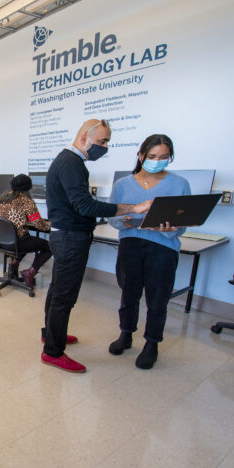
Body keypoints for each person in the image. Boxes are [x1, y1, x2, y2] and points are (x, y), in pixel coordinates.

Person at [42, 119, 152, 373]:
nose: (105, 147)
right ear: (84, 139)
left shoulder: (66, 161)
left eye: (107, 142)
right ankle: (53, 351)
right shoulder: (72, 164)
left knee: (58, 290)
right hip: (71, 239)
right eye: (102, 141)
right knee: (64, 297)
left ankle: (50, 334)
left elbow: (78, 204)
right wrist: (133, 208)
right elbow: (85, 206)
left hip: (63, 235)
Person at [108, 134, 190, 369]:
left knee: (157, 299)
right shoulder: (123, 184)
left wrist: (169, 228)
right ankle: (126, 333)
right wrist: (123, 222)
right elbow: (112, 217)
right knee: (129, 293)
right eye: (152, 156)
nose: (157, 161)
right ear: (141, 156)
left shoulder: (179, 184)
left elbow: (183, 225)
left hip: (163, 248)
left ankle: (152, 343)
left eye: (164, 157)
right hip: (130, 244)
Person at [0, 174, 52, 287]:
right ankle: (30, 273)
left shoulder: (1, 198)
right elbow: (39, 225)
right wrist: (52, 225)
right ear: (28, 187)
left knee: (26, 236)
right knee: (49, 246)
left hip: (0, 241)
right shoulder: (27, 201)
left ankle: (14, 265)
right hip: (15, 243)